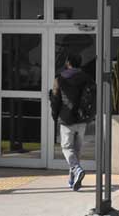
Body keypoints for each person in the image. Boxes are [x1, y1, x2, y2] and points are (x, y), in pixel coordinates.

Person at [49, 54, 94, 191]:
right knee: (76, 150)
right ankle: (72, 179)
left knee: (67, 148)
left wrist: (55, 115)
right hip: (82, 119)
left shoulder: (60, 79)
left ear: (68, 63)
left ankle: (76, 169)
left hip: (67, 119)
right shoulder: (87, 78)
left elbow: (56, 100)